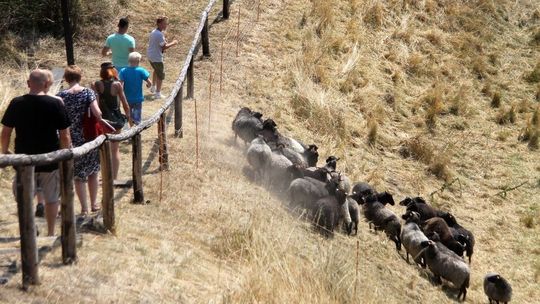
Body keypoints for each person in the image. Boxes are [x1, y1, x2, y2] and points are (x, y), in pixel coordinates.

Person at [0, 69, 72, 236]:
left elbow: (5, 132)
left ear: (28, 84)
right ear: (46, 84)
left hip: (24, 160)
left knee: (23, 198)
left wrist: (4, 152)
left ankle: (29, 229)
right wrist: (64, 156)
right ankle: (51, 232)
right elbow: (65, 135)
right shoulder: (56, 104)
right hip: (50, 159)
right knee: (52, 198)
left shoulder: (16, 103)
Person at [57, 65, 102, 214]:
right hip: (88, 137)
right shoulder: (88, 93)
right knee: (93, 172)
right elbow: (98, 113)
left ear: (66, 78)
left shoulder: (60, 96)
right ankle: (94, 204)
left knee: (78, 175)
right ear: (80, 77)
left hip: (70, 138)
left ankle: (83, 208)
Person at [93, 62, 130, 180]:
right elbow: (125, 103)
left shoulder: (96, 84)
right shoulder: (117, 85)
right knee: (115, 150)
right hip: (116, 119)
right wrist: (128, 117)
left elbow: (96, 104)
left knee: (103, 149)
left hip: (102, 120)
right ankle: (113, 177)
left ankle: (104, 176)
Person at [147, 16, 178, 99]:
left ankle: (153, 87)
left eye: (166, 24)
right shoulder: (159, 34)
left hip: (150, 55)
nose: (165, 25)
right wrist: (174, 43)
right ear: (159, 24)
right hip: (156, 57)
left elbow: (160, 44)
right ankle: (158, 93)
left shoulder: (154, 32)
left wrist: (165, 42)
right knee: (161, 75)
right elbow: (164, 47)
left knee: (156, 71)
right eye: (164, 24)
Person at [119, 52, 152, 124]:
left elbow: (120, 85)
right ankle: (137, 128)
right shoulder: (141, 70)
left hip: (127, 98)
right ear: (138, 61)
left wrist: (120, 95)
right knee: (137, 114)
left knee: (129, 114)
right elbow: (150, 83)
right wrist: (148, 85)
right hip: (138, 98)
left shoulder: (123, 71)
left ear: (128, 60)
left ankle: (131, 128)